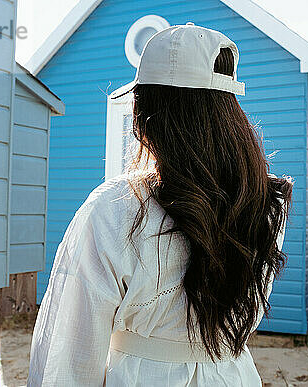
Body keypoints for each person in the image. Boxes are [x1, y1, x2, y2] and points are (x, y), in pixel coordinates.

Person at [27, 23, 293, 386]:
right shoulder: (264, 204)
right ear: (231, 115)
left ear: (143, 117)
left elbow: (68, 356)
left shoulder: (116, 209)